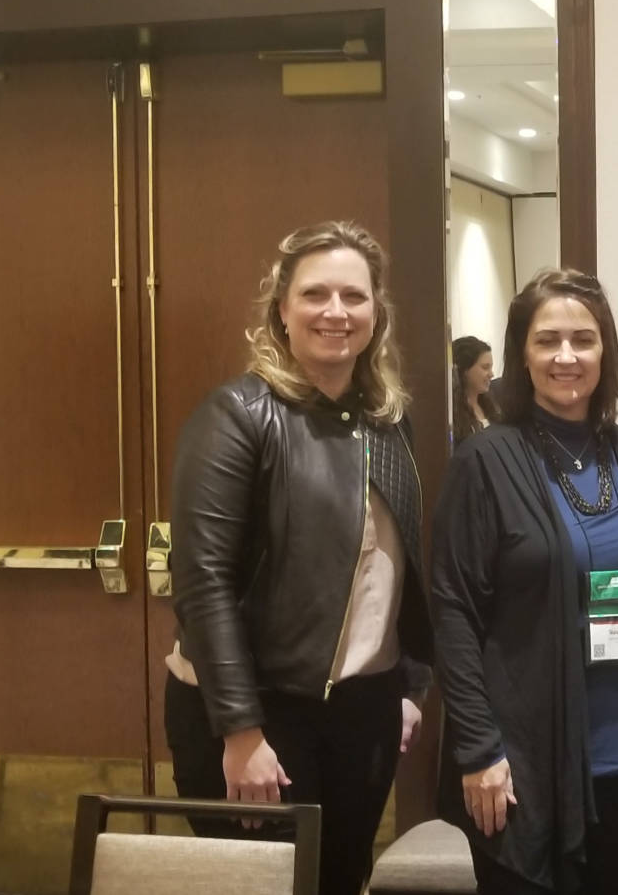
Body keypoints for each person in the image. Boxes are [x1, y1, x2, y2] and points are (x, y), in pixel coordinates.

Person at [164, 221, 432, 895]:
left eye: (354, 295)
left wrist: (403, 682)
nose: (336, 312)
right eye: (315, 294)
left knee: (341, 879)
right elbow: (204, 583)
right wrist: (240, 730)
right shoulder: (238, 415)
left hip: (361, 711)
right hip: (257, 715)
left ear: (377, 311)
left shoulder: (388, 420)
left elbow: (396, 567)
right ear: (281, 309)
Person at [431, 269, 618, 894]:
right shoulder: (484, 461)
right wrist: (478, 749)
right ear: (521, 354)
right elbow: (452, 610)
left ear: (606, 352)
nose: (566, 356)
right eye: (547, 341)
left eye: (584, 339)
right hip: (523, 760)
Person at [452, 334, 502, 446]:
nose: (491, 374)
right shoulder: (452, 414)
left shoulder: (492, 405)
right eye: (485, 367)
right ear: (464, 370)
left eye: (491, 367)